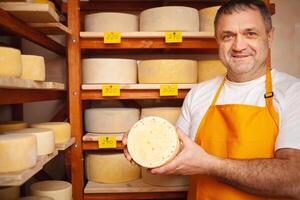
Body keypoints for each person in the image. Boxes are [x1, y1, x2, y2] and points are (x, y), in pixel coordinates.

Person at [123, 0, 300, 199]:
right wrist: (145, 145)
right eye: (228, 36)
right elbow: (177, 155)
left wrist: (209, 164)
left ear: (269, 37)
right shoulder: (199, 94)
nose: (238, 46)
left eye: (250, 33)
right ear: (217, 40)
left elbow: (295, 180)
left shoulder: (294, 92)